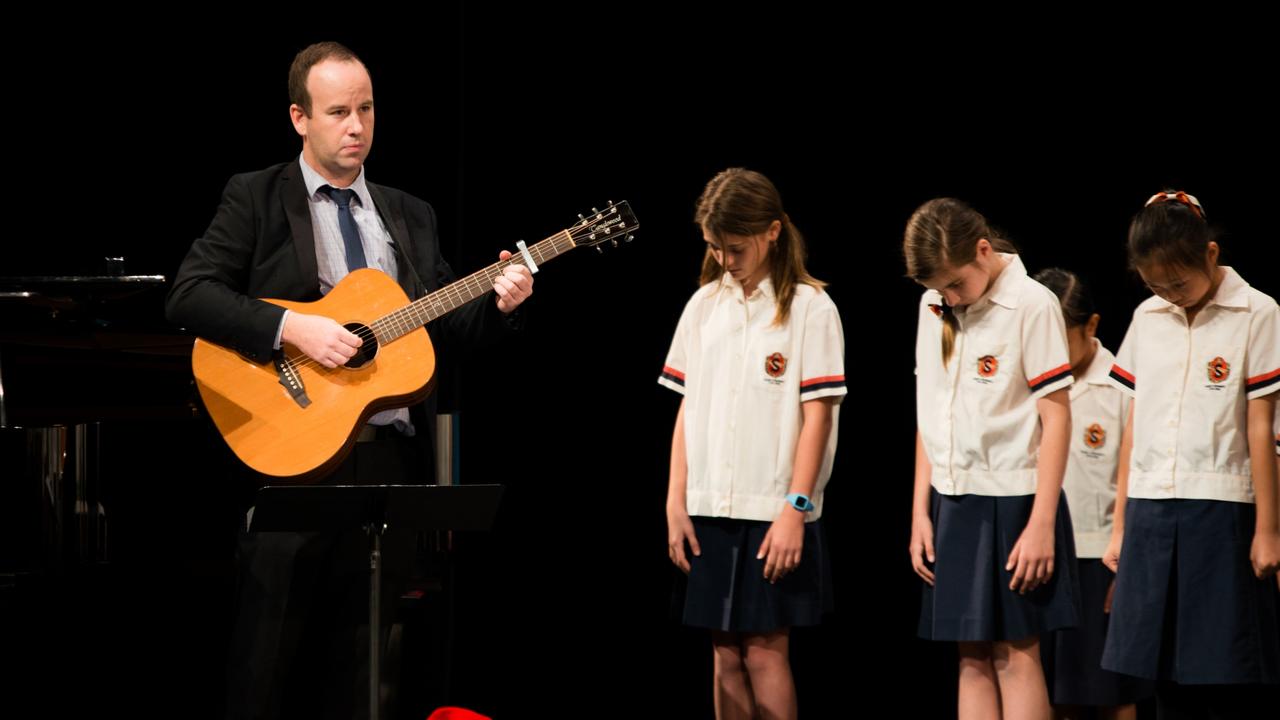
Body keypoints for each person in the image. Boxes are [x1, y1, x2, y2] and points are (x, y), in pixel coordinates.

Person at [165, 41, 533, 719]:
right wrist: (295, 330)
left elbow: (446, 330)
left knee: (361, 667)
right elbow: (189, 296)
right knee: (264, 666)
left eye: (366, 108)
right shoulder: (256, 196)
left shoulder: (408, 214)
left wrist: (500, 305)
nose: (357, 125)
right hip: (292, 461)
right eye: (339, 111)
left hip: (385, 461)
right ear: (300, 117)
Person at [660, 168, 844, 719]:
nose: (725, 260)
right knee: (724, 654)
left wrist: (796, 507)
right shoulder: (703, 307)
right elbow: (688, 408)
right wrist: (675, 500)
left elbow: (819, 419)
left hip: (774, 511)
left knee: (765, 652)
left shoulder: (811, 309)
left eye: (735, 247)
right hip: (709, 507)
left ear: (773, 232)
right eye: (714, 248)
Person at [1101, 190, 1280, 718]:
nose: (1168, 294)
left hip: (1221, 510)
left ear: (1210, 254)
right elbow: (1136, 421)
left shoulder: (1257, 312)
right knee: (1156, 668)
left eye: (1177, 283)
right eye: (1155, 284)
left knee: (1221, 665)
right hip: (1151, 509)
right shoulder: (1147, 317)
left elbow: (1260, 424)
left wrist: (1268, 529)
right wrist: (1119, 524)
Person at [906, 197, 1080, 719]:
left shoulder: (1032, 304)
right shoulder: (934, 306)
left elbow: (1057, 417)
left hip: (1016, 502)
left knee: (1016, 654)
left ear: (984, 251)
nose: (950, 298)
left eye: (956, 284)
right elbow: (930, 414)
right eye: (939, 290)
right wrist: (920, 511)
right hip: (953, 502)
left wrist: (1042, 523)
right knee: (971, 657)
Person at [1033, 267, 1154, 719]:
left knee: (1111, 693)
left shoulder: (1122, 387)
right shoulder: (1028, 386)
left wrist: (1127, 570)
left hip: (1100, 560)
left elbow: (1139, 479)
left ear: (1092, 326)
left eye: (1060, 339)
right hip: (1040, 558)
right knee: (1052, 694)